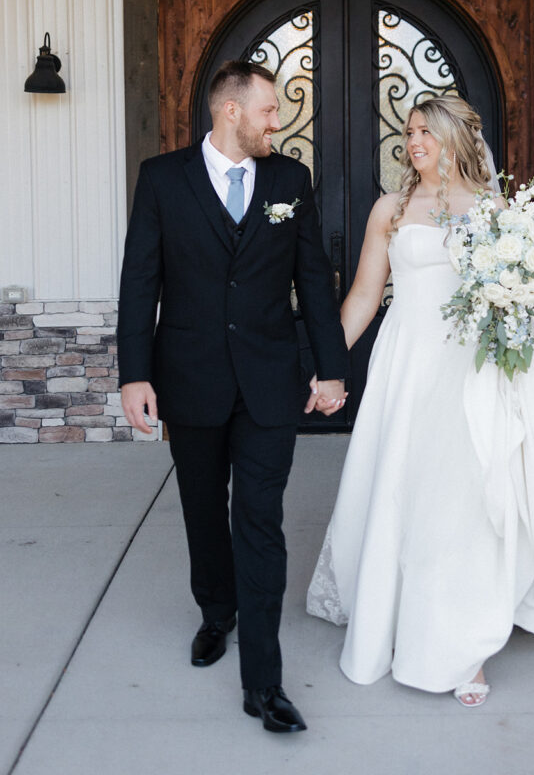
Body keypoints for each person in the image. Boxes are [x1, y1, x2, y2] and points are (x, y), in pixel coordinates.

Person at [307, 95, 534, 707]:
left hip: (470, 371)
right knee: (407, 488)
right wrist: (327, 366)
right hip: (408, 363)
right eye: (409, 130)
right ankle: (396, 613)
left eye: (425, 130)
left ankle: (462, 645)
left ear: (455, 137)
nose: (414, 141)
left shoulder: (497, 210)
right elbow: (365, 296)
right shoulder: (391, 209)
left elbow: (529, 298)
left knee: (461, 500)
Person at [118, 60, 348, 734]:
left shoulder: (288, 180)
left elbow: (313, 276)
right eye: (269, 110)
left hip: (270, 380)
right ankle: (216, 611)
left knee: (258, 517)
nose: (278, 121)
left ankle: (263, 683)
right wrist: (134, 375)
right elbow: (141, 280)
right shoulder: (162, 179)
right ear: (229, 113)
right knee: (201, 508)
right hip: (188, 377)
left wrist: (329, 369)